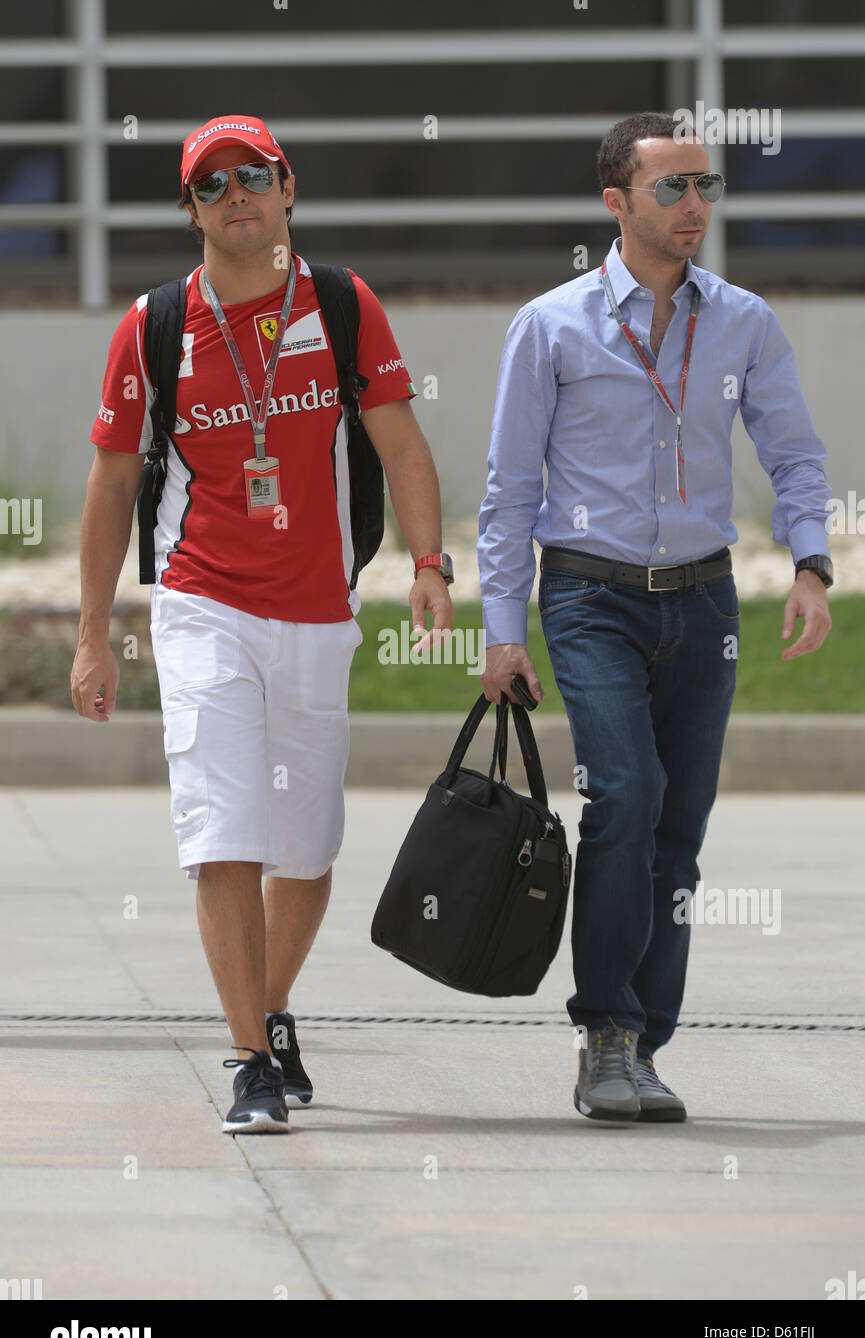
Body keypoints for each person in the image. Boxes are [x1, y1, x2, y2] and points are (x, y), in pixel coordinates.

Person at [72, 114, 455, 1134]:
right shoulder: (154, 323)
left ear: (288, 190)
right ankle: (250, 1058)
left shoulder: (341, 304)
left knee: (307, 848)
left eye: (253, 176)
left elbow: (403, 446)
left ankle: (271, 1008)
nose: (234, 194)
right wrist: (93, 631)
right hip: (200, 605)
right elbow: (111, 487)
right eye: (211, 183)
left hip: (318, 613)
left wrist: (428, 563)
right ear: (189, 209)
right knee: (224, 830)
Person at [478, 111, 833, 1124]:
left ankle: (644, 1038)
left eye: (704, 187)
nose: (694, 207)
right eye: (671, 188)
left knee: (678, 829)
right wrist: (503, 628)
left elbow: (796, 454)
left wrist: (810, 563)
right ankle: (605, 1031)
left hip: (703, 596)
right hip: (589, 595)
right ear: (614, 202)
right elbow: (507, 492)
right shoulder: (549, 324)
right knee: (624, 796)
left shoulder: (745, 322)